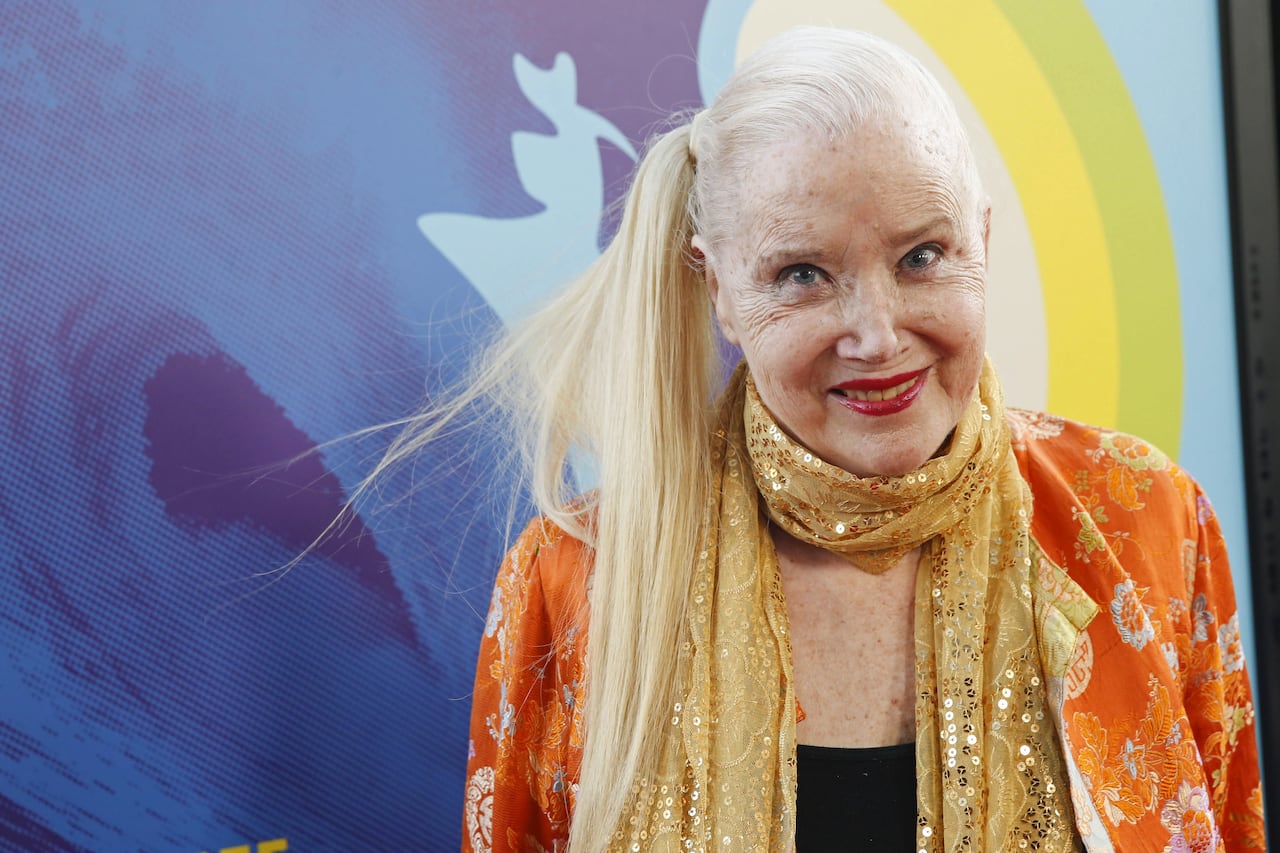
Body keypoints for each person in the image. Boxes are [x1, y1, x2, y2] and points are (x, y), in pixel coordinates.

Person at [434, 27, 1265, 851]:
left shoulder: (1152, 524)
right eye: (803, 273)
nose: (877, 336)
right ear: (718, 288)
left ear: (982, 240)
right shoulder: (572, 579)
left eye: (922, 256)